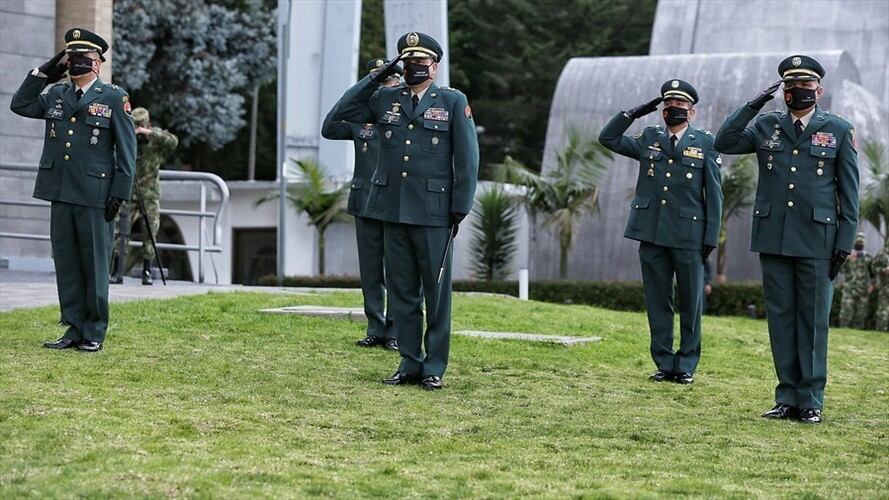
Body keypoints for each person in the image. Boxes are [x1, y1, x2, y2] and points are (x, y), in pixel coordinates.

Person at [328, 32, 479, 390]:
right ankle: (409, 363)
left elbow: (468, 159)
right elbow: (339, 117)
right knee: (402, 293)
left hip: (434, 213)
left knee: (436, 295)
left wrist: (459, 208)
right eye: (408, 62)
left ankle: (434, 367)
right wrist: (375, 77)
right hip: (392, 210)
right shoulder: (385, 98)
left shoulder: (453, 102)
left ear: (435, 67)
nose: (413, 68)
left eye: (420, 62)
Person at [714, 55, 859, 423]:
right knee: (780, 319)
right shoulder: (766, 125)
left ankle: (810, 400)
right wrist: (753, 104)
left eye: (805, 87)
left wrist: (844, 241)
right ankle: (786, 398)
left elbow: (849, 193)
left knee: (812, 322)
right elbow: (724, 141)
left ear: (819, 90)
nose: (798, 93)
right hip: (774, 237)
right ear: (783, 91)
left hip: (818, 239)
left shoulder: (838, 130)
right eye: (791, 87)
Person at [10, 28, 136, 352]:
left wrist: (119, 193)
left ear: (98, 64)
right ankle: (73, 327)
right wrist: (42, 73)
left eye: (84, 59)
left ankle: (94, 331)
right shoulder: (56, 95)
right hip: (60, 191)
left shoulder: (112, 97)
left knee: (94, 264)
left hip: (96, 195)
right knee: (67, 264)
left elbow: (127, 150)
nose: (76, 64)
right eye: (72, 59)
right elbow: (20, 104)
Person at [599, 79, 723, 385]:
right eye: (668, 106)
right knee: (657, 301)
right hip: (652, 233)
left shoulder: (705, 143)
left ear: (691, 113)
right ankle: (664, 362)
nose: (673, 110)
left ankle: (687, 365)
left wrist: (710, 239)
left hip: (688, 236)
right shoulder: (649, 138)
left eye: (680, 106)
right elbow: (609, 138)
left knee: (691, 302)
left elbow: (715, 196)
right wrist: (633, 114)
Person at [321, 58, 403, 351]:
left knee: (395, 267)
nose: (387, 87)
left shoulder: (404, 116)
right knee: (370, 269)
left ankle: (394, 331)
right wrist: (365, 85)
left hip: (394, 201)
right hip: (365, 201)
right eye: (382, 83)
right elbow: (329, 126)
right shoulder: (362, 117)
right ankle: (375, 327)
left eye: (392, 81)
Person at [112, 106, 178, 285]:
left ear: (148, 124)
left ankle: (147, 271)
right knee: (119, 232)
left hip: (149, 194)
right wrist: (130, 135)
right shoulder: (126, 139)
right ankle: (116, 271)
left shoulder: (155, 140)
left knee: (150, 231)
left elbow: (173, 142)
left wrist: (149, 133)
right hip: (128, 192)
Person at [838, 232, 874, 329]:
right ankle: (843, 331)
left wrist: (872, 285)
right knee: (845, 312)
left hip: (863, 290)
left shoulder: (868, 258)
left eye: (861, 242)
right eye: (858, 241)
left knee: (861, 314)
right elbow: (840, 269)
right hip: (849, 288)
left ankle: (858, 332)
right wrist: (846, 259)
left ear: (864, 243)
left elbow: (872, 274)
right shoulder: (848, 257)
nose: (860, 243)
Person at [871, 237, 889, 332]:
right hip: (884, 287)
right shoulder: (882, 254)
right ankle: (881, 331)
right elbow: (873, 267)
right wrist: (883, 270)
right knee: (883, 311)